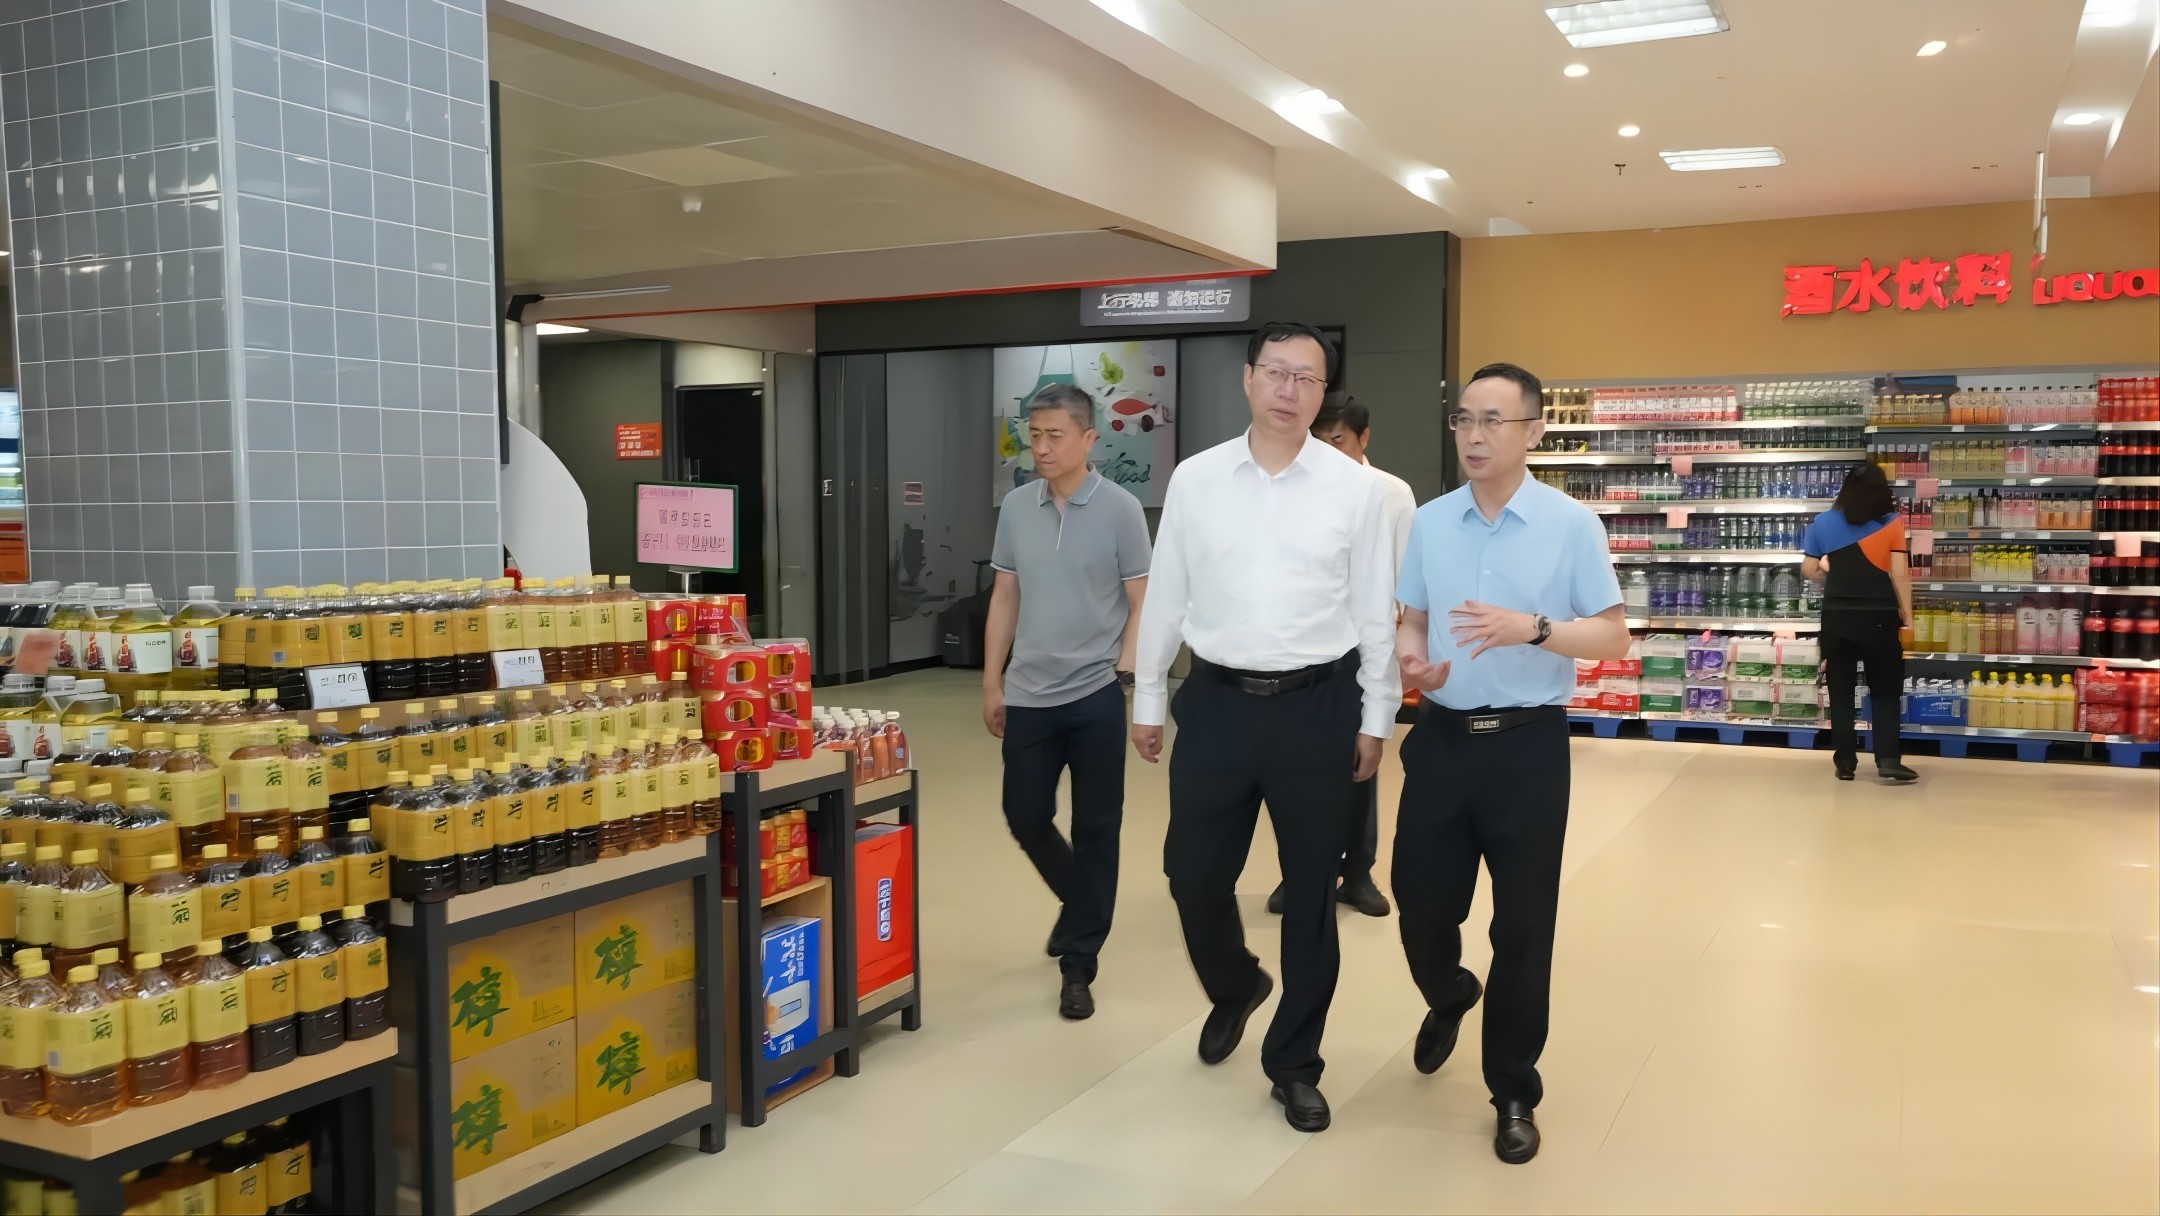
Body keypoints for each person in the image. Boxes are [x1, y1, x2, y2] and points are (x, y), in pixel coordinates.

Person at [1131, 322, 1399, 1134]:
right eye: (1276, 372)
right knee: (1191, 875)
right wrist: (1148, 695)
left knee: (1312, 894)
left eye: (1307, 378)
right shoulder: (1198, 479)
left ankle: (1294, 1064)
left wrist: (1376, 716)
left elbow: (1374, 611)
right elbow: (1167, 591)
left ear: (1324, 395)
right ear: (1248, 380)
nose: (1289, 390)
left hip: (1319, 707)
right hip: (1217, 702)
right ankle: (1236, 984)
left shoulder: (1356, 490)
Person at [1391, 362, 1630, 1165]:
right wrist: (1413, 660)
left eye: (1493, 420)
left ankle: (1514, 1090)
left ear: (1533, 431)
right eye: (1463, 419)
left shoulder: (1571, 525)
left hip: (1528, 747)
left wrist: (1533, 628)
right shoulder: (1430, 522)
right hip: (1442, 739)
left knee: (1523, 925)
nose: (1474, 435)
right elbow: (1412, 618)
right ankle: (1450, 990)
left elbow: (1612, 635)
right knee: (1419, 904)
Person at [983, 383, 1153, 1020]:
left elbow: (1141, 602)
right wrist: (992, 681)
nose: (1043, 447)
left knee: (1097, 829)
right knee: (1024, 814)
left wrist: (1127, 679)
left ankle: (1079, 964)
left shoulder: (1121, 510)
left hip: (1095, 693)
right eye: (1035, 435)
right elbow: (1005, 595)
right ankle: (1082, 905)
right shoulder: (1015, 508)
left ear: (1089, 438)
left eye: (1055, 435)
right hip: (1029, 692)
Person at [1266, 393, 1417, 919]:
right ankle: (1302, 872)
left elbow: (1406, 576)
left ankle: (1358, 873)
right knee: (1297, 768)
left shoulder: (1390, 493)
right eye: (1319, 441)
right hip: (1307, 650)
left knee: (1359, 762)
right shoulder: (1293, 489)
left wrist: (1399, 644)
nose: (1327, 453)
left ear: (1363, 438)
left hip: (1365, 648)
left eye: (1338, 441)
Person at [1801, 463, 1917, 783]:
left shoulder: (1822, 523)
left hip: (1837, 618)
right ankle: (1888, 759)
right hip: (1879, 617)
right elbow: (1900, 575)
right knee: (1885, 690)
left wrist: (1829, 573)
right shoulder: (1891, 523)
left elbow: (1809, 569)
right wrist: (1907, 617)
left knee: (1840, 691)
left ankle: (1845, 763)